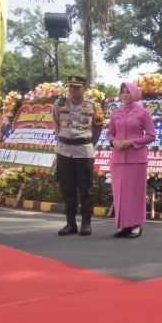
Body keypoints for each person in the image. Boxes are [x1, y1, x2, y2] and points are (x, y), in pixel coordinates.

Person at [53, 75, 104, 236]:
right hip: (64, 151)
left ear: (84, 88)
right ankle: (70, 224)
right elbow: (56, 124)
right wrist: (65, 138)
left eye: (77, 87)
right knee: (67, 189)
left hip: (83, 151)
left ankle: (86, 224)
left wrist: (89, 143)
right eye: (70, 87)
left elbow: (98, 127)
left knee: (85, 189)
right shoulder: (59, 104)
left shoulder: (93, 106)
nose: (73, 90)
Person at [106, 82, 156, 239]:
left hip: (136, 159)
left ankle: (136, 225)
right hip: (118, 159)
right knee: (120, 193)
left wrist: (132, 142)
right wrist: (113, 141)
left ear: (134, 93)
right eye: (122, 92)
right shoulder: (116, 114)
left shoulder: (143, 113)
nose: (125, 95)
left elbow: (151, 135)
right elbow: (110, 133)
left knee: (134, 193)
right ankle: (124, 226)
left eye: (128, 92)